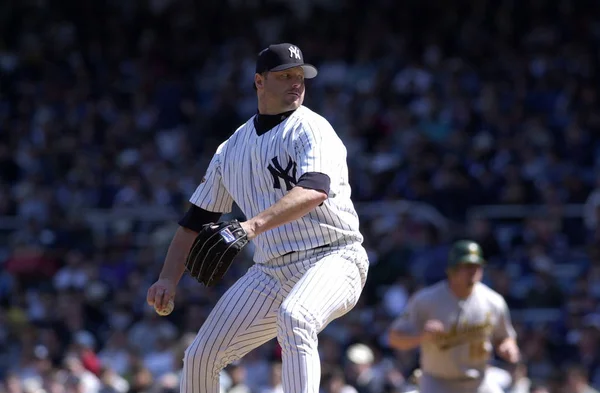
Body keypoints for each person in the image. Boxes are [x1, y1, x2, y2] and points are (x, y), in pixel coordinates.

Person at [146, 43, 369, 393]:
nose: (296, 83)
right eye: (285, 76)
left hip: (334, 256)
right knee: (200, 356)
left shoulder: (311, 128)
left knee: (296, 318)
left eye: (300, 76)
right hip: (270, 270)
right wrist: (168, 278)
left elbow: (315, 189)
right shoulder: (232, 148)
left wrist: (250, 226)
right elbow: (195, 219)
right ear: (259, 82)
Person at [387, 240, 520, 393]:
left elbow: (505, 337)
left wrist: (508, 346)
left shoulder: (493, 301)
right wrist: (421, 337)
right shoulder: (426, 300)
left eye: (477, 266)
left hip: (478, 381)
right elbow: (394, 338)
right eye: (467, 266)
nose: (473, 271)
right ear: (452, 269)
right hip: (437, 382)